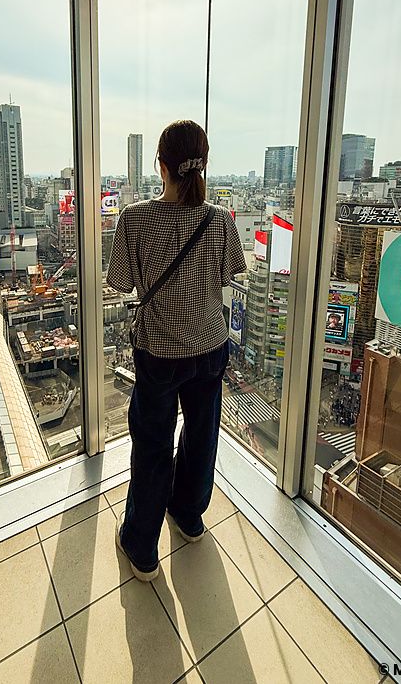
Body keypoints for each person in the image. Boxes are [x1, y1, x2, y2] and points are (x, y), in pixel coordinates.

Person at [105, 119, 247, 581]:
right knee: (202, 433)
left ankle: (141, 545)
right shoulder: (220, 220)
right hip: (209, 346)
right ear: (202, 166)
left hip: (159, 352)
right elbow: (228, 277)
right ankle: (188, 515)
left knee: (152, 443)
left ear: (160, 166)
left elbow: (121, 282)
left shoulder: (135, 218)